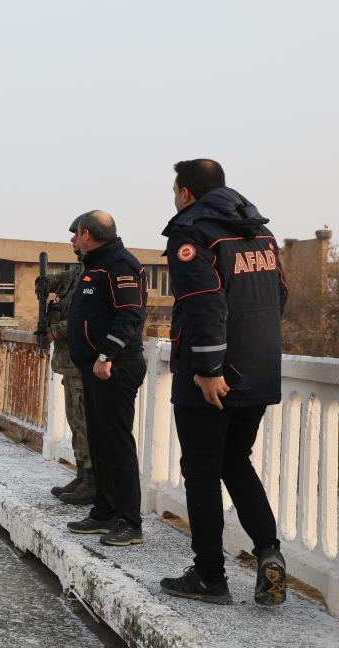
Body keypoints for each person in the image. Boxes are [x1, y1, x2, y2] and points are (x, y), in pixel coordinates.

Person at [158, 159, 288, 606]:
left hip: (212, 377)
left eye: (174, 190)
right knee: (235, 461)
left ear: (186, 192)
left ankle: (210, 576)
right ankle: (269, 551)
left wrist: (210, 368)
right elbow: (279, 295)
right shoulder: (260, 233)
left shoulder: (192, 232)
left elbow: (204, 302)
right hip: (259, 370)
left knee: (201, 471)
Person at [64, 211, 147, 547]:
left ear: (87, 233)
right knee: (99, 441)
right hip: (94, 368)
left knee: (117, 443)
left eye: (75, 234)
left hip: (115, 366)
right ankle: (105, 512)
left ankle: (130, 522)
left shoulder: (120, 265)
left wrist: (106, 355)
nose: (72, 240)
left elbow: (130, 314)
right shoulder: (95, 266)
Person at [38, 218, 94, 505]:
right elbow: (58, 281)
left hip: (83, 362)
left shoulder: (95, 272)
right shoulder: (78, 271)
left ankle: (92, 480)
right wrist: (44, 282)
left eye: (76, 235)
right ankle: (83, 475)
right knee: (76, 420)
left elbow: (87, 318)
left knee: (84, 422)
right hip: (70, 362)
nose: (72, 241)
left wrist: (54, 331)